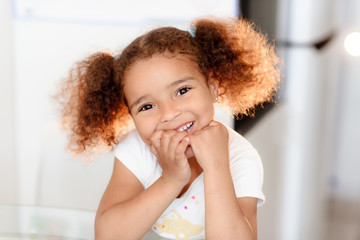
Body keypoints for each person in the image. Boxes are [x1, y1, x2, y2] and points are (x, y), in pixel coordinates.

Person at [57, 17, 280, 240]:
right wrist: (171, 179)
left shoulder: (240, 157)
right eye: (147, 106)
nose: (169, 113)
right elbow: (108, 236)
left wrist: (217, 167)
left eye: (182, 91)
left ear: (211, 87)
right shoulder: (136, 149)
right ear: (130, 115)